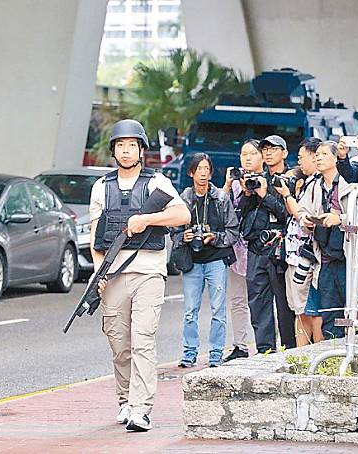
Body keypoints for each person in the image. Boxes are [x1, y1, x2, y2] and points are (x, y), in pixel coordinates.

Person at [89, 119, 190, 432]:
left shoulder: (156, 181)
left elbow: (182, 214)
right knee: (119, 344)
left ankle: (140, 408)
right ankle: (124, 400)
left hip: (148, 272)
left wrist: (146, 219)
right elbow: (96, 237)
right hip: (114, 273)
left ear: (141, 149)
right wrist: (98, 274)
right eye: (120, 145)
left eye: (132, 145)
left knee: (143, 340)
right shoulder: (101, 186)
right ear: (114, 150)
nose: (126, 150)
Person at [172, 153, 239, 368]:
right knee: (191, 311)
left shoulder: (220, 198)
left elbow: (233, 231)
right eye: (198, 169)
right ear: (191, 172)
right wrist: (184, 236)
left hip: (216, 259)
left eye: (206, 169)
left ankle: (215, 354)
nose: (203, 173)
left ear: (211, 172)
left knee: (218, 310)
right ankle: (189, 353)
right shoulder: (183, 200)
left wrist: (215, 237)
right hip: (192, 261)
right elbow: (173, 231)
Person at [241, 135, 295, 353]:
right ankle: (265, 351)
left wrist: (265, 194)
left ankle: (290, 350)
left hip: (280, 249)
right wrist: (248, 194)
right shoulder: (256, 179)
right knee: (258, 303)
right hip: (257, 248)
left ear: (284, 153)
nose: (269, 153)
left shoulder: (292, 179)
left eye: (274, 149)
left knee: (285, 304)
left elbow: (288, 214)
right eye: (265, 149)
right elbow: (244, 215)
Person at [298, 141, 357, 339]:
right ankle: (333, 350)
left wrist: (339, 219)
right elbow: (301, 210)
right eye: (317, 155)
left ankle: (349, 348)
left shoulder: (348, 184)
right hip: (324, 258)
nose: (318, 158)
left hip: (347, 258)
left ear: (335, 158)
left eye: (324, 154)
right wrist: (306, 219)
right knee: (328, 311)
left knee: (350, 308)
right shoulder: (314, 186)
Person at [274, 137, 322, 346]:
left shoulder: (317, 184)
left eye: (302, 157)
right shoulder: (306, 183)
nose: (299, 162)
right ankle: (301, 354)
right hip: (293, 255)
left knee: (310, 311)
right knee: (299, 311)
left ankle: (315, 354)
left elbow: (304, 217)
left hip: (305, 256)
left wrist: (287, 195)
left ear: (314, 156)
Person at [220, 139, 260, 362]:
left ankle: (267, 344)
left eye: (252, 153)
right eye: (243, 154)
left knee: (262, 300)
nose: (247, 158)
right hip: (237, 251)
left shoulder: (265, 181)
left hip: (259, 250)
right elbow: (220, 208)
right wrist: (227, 185)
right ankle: (240, 345)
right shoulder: (235, 184)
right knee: (237, 300)